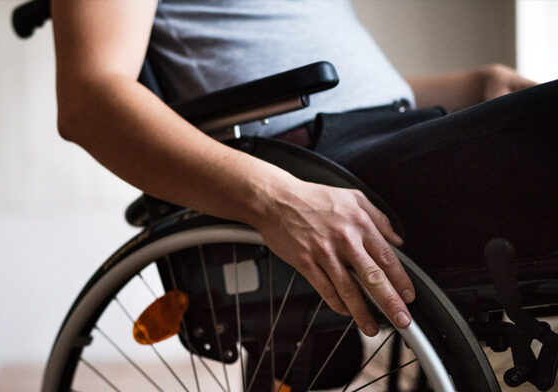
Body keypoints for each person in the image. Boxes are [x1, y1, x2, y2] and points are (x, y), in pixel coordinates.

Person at [50, 0, 555, 338]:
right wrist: (275, 200)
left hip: (388, 131)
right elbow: (88, 102)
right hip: (323, 167)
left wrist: (474, 86)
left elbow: (334, 87)